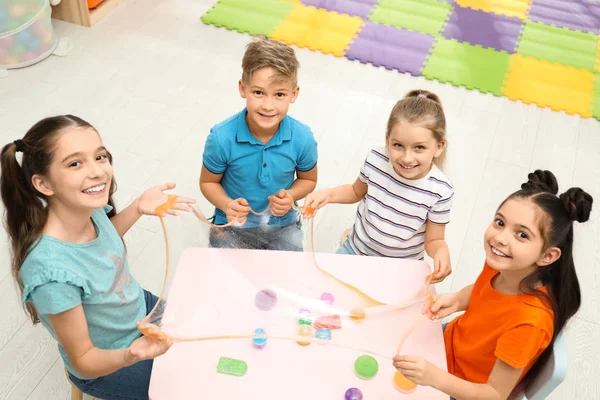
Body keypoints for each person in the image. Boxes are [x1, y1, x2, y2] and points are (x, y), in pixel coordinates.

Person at [0, 115, 194, 400]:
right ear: (44, 184)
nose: (98, 172)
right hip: (108, 362)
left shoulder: (87, 210)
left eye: (100, 156)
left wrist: (138, 206)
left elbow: (105, 240)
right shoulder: (51, 274)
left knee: (200, 341)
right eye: (75, 163)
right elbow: (83, 360)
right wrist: (131, 354)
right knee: (187, 386)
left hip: (139, 309)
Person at [394, 170, 592, 400]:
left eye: (522, 235)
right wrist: (457, 299)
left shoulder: (530, 324)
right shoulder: (502, 266)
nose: (500, 237)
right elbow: (483, 292)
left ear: (548, 256)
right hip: (448, 347)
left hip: (462, 389)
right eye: (500, 222)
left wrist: (433, 377)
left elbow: (494, 394)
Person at [304, 89, 453, 283]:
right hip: (356, 251)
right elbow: (356, 191)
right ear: (387, 139)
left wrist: (441, 251)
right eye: (398, 145)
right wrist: (328, 195)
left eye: (419, 148)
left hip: (401, 268)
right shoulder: (376, 159)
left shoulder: (441, 190)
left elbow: (434, 240)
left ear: (439, 146)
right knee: (324, 289)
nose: (407, 158)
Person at [199, 35, 318, 252]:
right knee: (224, 278)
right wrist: (226, 204)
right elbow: (208, 183)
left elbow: (308, 179)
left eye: (279, 94)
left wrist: (291, 196)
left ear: (294, 94)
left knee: (289, 276)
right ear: (243, 88)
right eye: (258, 92)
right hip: (231, 225)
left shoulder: (303, 138)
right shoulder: (221, 137)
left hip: (283, 225)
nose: (268, 105)